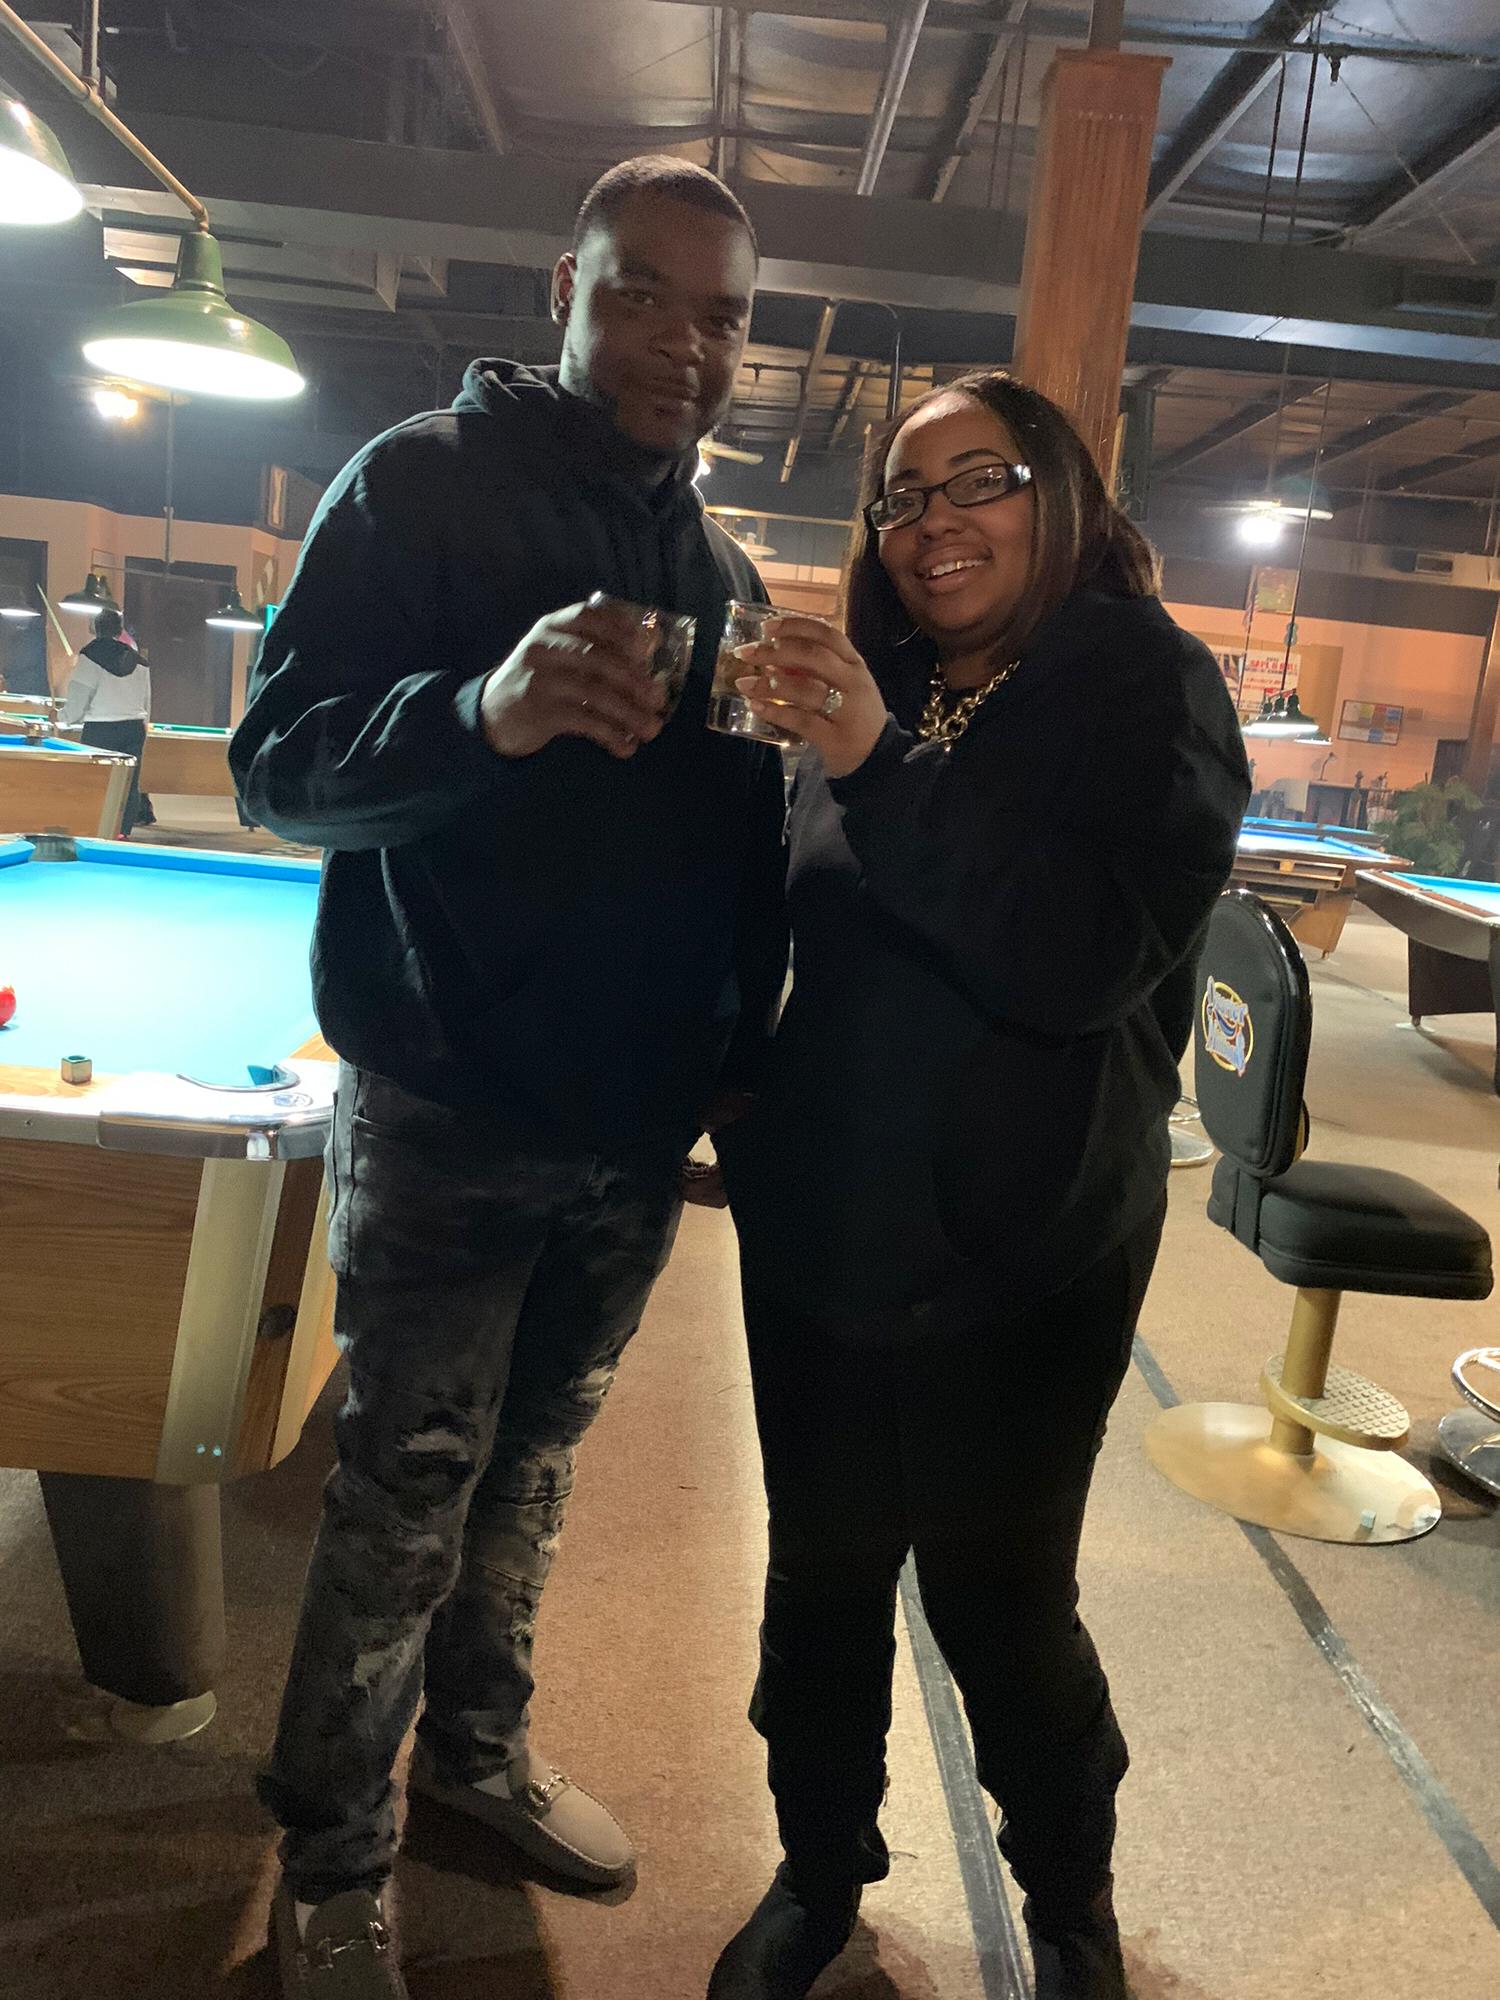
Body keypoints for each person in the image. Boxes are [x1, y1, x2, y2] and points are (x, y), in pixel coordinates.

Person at [229, 157, 785, 2000]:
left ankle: (472, 1754)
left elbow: (730, 860)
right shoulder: (419, 486)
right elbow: (277, 767)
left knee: (530, 1476)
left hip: (629, 1135)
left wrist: (738, 1060)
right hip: (451, 1099)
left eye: (722, 315)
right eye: (645, 292)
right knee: (406, 1493)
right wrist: (483, 708)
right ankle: (330, 1855)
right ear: (567, 285)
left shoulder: (718, 569)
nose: (683, 342)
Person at [708, 370, 1250, 2000]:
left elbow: (1076, 957)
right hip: (824, 1233)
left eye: (979, 480)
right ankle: (820, 1874)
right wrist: (739, 1089)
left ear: (1061, 492)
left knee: (998, 1600)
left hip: (1027, 1247)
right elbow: (808, 923)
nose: (933, 521)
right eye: (903, 493)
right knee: (819, 1579)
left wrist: (874, 762)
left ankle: (1070, 1905)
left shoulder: (1142, 686)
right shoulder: (877, 684)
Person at [60, 608, 152, 835]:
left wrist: (62, 717)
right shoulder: (138, 660)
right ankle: (123, 832)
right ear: (120, 631)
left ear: (95, 628)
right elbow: (146, 702)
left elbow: (79, 698)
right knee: (129, 783)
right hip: (133, 728)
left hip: (100, 729)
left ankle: (96, 829)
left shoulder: (89, 656)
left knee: (94, 781)